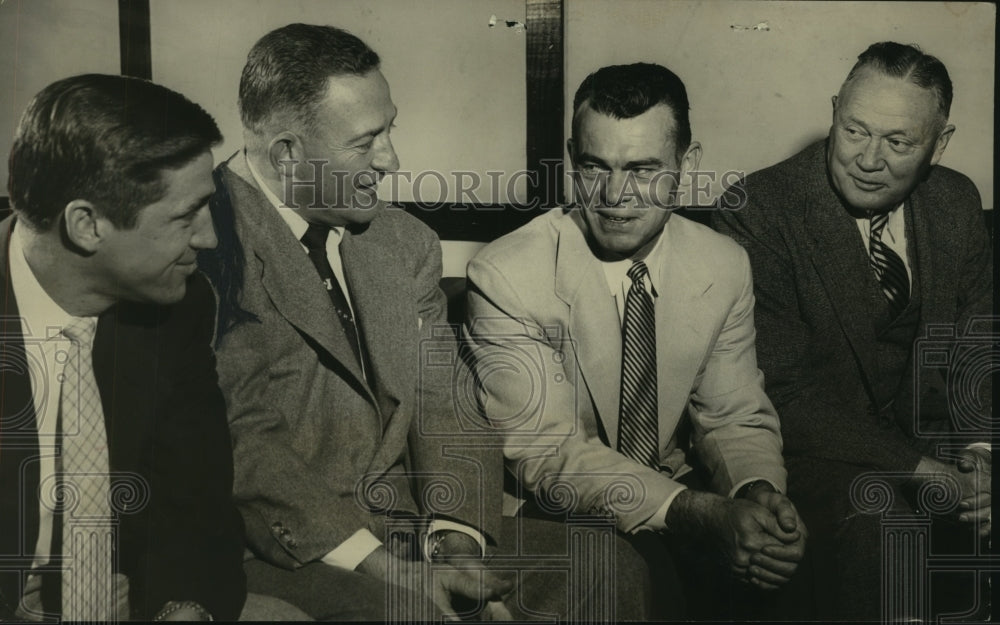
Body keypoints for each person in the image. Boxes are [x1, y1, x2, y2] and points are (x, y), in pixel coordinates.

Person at [201, 23, 651, 621]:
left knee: (607, 570)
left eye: (390, 130)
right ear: (287, 153)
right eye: (365, 143)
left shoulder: (404, 242)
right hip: (284, 547)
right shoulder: (201, 243)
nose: (391, 161)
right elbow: (246, 445)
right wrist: (383, 567)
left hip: (410, 529)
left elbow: (447, 402)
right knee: (404, 612)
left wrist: (456, 542)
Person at [463, 62, 808, 620]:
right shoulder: (507, 274)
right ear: (574, 159)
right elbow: (549, 454)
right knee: (650, 579)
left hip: (677, 492)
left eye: (643, 169)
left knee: (787, 574)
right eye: (596, 166)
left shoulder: (723, 264)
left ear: (686, 166)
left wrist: (755, 490)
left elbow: (733, 414)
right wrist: (695, 512)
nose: (615, 195)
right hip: (553, 511)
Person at [713, 41, 992, 621]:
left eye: (898, 142)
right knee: (880, 518)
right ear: (835, 110)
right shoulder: (759, 208)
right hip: (819, 455)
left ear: (938, 145)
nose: (868, 159)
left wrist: (981, 459)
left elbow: (977, 356)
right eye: (855, 130)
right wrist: (921, 470)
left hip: (935, 447)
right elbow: (785, 393)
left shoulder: (958, 203)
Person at [0, 74, 248, 621]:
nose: (208, 238)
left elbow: (198, 509)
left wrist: (185, 604)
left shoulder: (178, 308)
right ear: (87, 225)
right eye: (186, 215)